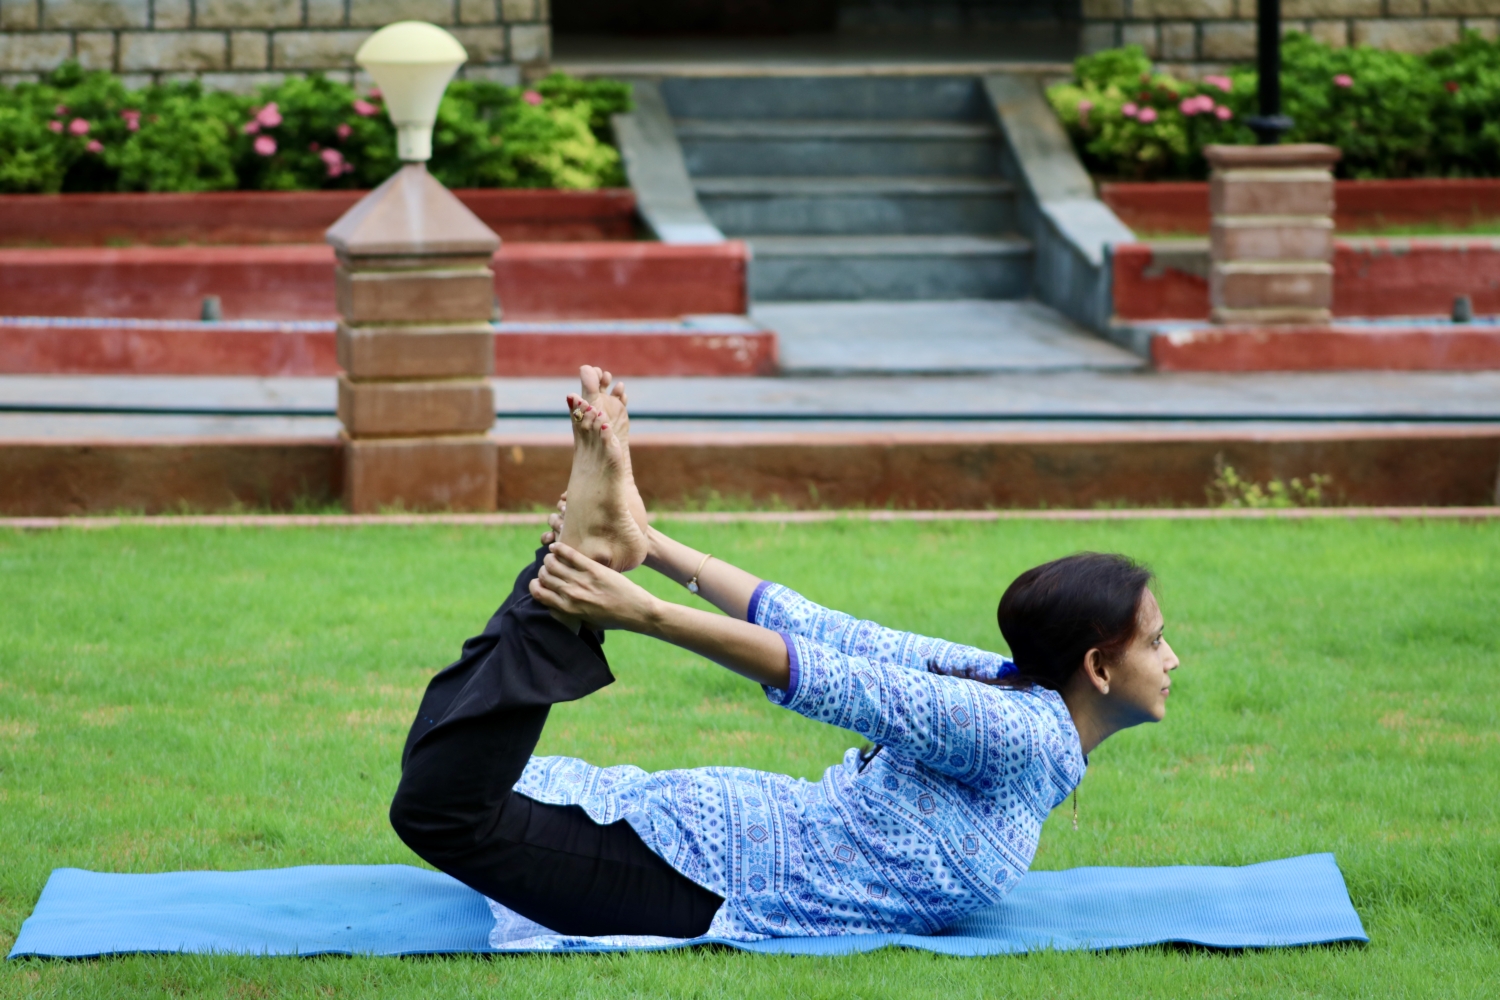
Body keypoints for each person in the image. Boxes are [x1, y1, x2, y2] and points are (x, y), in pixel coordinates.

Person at [389, 368, 1181, 942]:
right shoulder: (1020, 727)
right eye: (1154, 640)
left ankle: (579, 558)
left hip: (732, 842)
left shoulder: (1003, 691)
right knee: (442, 815)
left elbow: (828, 638)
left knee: (444, 792)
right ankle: (574, 573)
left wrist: (649, 551)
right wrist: (646, 594)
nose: (1171, 658)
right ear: (1098, 667)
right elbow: (831, 666)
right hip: (715, 880)